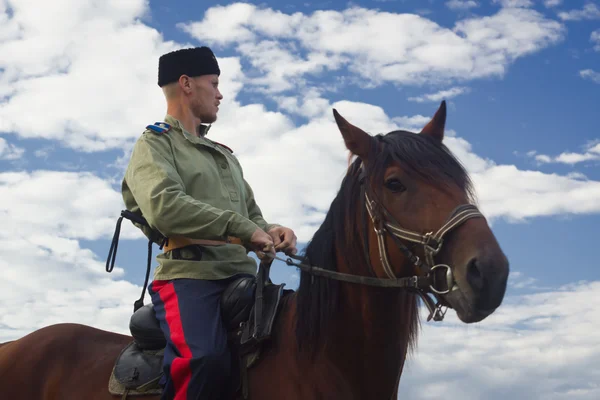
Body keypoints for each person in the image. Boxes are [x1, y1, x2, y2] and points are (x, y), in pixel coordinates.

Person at [121, 46, 297, 400]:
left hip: (243, 276)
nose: (220, 94)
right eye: (214, 83)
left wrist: (273, 230)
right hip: (189, 277)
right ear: (186, 84)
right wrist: (244, 229)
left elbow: (252, 217)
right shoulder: (154, 144)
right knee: (203, 358)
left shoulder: (224, 156)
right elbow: (164, 207)